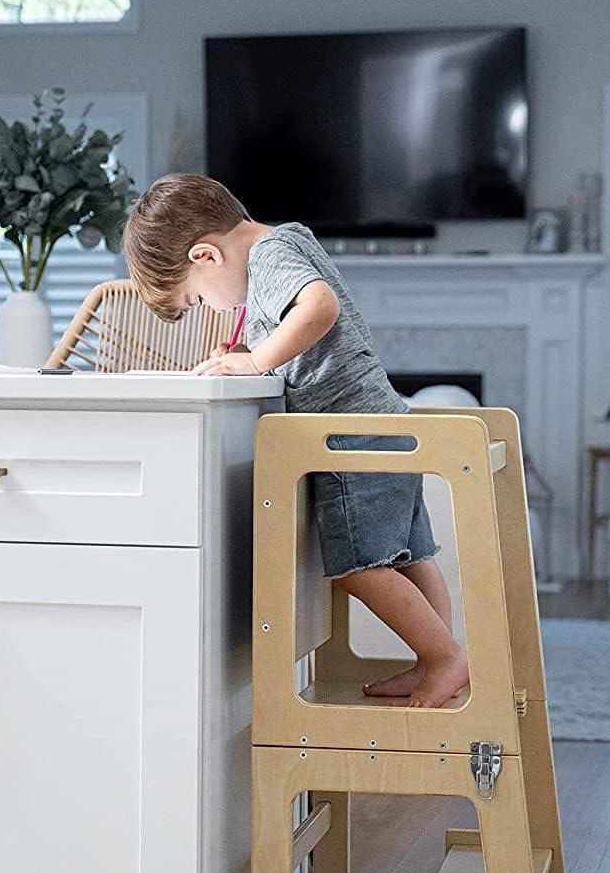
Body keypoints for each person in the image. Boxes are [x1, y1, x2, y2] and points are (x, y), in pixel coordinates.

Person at [122, 173, 469, 709]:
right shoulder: (286, 242)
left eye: (195, 297)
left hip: (351, 435)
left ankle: (445, 657)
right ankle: (434, 658)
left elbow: (319, 308)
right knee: (409, 553)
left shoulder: (270, 253)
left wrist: (258, 360)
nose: (211, 307)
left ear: (206, 255)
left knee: (358, 566)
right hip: (383, 423)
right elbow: (301, 323)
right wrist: (251, 345)